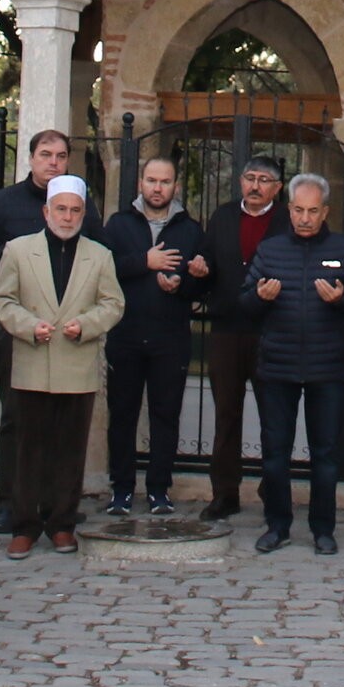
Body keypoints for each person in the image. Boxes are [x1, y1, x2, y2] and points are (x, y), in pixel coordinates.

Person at [241, 172, 344, 554]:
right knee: (275, 453)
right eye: (298, 210)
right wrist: (261, 297)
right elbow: (245, 303)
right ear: (289, 209)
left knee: (325, 455)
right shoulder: (270, 250)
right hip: (277, 368)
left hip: (328, 369)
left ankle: (323, 529)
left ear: (325, 211)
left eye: (312, 211)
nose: (304, 218)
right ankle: (277, 525)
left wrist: (341, 300)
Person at [0, 174, 123, 555]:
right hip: (32, 358)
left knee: (70, 448)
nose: (67, 217)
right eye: (61, 209)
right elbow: (2, 300)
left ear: (84, 213)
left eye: (75, 210)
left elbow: (113, 303)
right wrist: (29, 326)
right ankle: (24, 524)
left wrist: (88, 325)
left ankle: (62, 522)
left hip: (76, 361)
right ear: (46, 211)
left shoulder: (100, 255)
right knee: (28, 447)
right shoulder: (17, 250)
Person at [0, 131, 67, 531]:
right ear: (31, 158)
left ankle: (54, 501)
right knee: (16, 416)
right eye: (46, 155)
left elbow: (96, 248)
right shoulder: (5, 202)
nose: (53, 163)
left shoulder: (77, 203)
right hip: (19, 325)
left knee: (60, 420)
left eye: (61, 156)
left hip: (66, 328)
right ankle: (10, 500)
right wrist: (21, 253)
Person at [102, 157, 206, 516]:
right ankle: (121, 489)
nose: (157, 188)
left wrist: (184, 282)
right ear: (140, 184)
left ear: (175, 186)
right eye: (151, 180)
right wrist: (143, 263)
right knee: (122, 415)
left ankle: (159, 489)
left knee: (166, 414)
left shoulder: (189, 229)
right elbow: (102, 269)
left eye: (165, 181)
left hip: (170, 336)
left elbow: (202, 281)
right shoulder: (118, 225)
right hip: (125, 333)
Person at [198, 154, 285, 521]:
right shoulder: (222, 217)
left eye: (264, 180)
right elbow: (207, 264)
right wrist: (199, 270)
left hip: (271, 331)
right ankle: (225, 492)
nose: (254, 186)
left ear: (277, 188)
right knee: (226, 414)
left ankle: (273, 490)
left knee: (273, 416)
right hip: (227, 330)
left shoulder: (285, 221)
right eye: (249, 178)